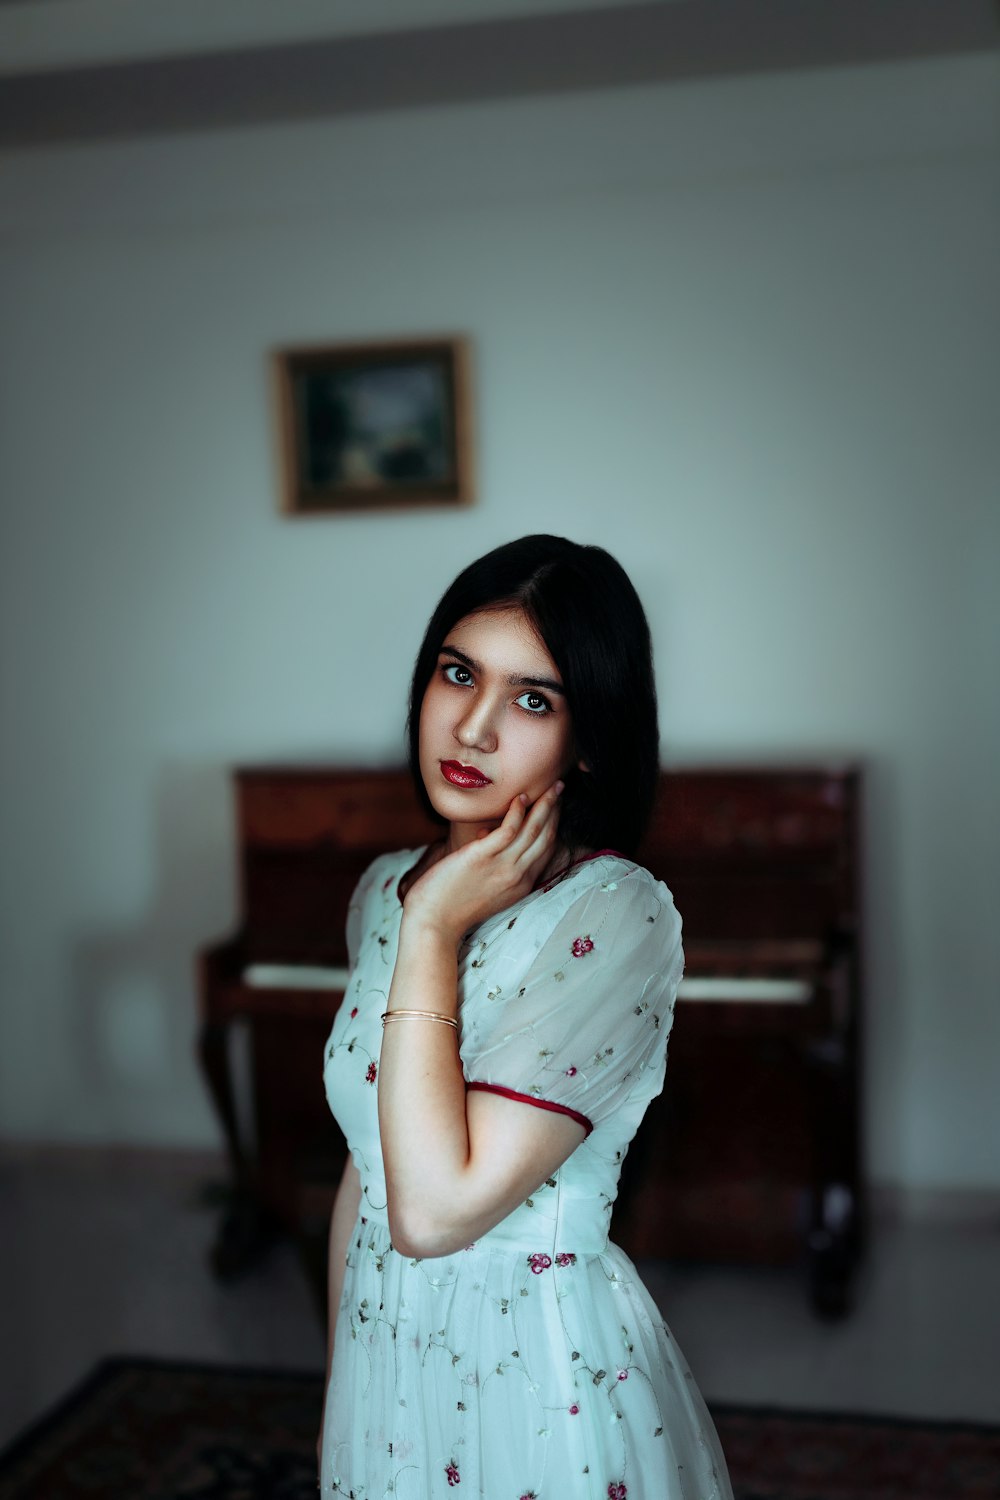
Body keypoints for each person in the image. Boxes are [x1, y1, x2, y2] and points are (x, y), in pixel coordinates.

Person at [319, 535, 733, 1499]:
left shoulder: (616, 913)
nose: (472, 727)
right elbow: (370, 1168)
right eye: (457, 674)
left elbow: (431, 1212)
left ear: (588, 741)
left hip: (539, 1379)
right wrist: (347, 1388)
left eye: (532, 699)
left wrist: (433, 929)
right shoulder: (385, 889)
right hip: (388, 1368)